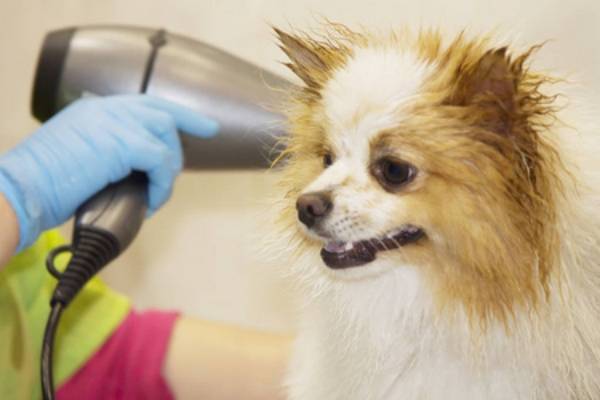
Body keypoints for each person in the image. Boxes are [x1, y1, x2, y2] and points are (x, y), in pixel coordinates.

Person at [0, 95, 290, 400]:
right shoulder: (18, 212)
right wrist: (15, 194)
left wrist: (321, 372)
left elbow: (108, 359)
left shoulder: (22, 255)